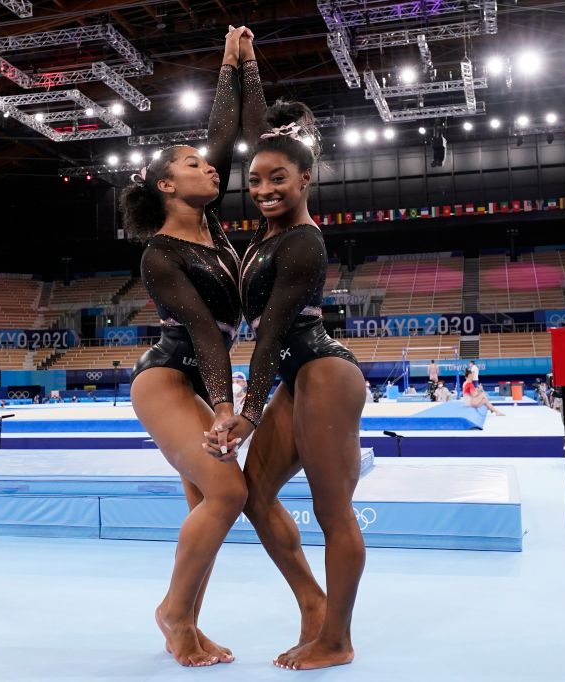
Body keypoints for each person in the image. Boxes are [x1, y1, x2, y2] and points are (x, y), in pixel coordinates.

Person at [206, 40, 366, 670]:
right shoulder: (268, 231)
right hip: (299, 376)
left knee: (333, 511)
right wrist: (241, 64)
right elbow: (258, 138)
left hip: (322, 370)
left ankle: (337, 639)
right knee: (253, 494)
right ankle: (312, 603)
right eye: (256, 181)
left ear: (306, 180)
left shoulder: (301, 242)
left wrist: (247, 411)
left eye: (279, 179)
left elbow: (271, 333)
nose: (265, 188)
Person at [121, 26, 250, 668]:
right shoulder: (161, 254)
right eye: (193, 165)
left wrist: (232, 65)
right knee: (228, 492)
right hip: (168, 377)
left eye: (207, 164)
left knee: (209, 502)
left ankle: (188, 626)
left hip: (199, 379)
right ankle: (173, 613)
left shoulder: (212, 225)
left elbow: (222, 136)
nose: (209, 167)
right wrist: (226, 405)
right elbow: (201, 330)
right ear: (166, 187)